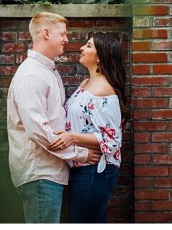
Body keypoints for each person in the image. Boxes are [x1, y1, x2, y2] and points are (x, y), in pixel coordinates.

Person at [7, 12, 101, 223]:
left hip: (51, 172)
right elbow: (38, 131)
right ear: (46, 33)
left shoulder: (48, 70)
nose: (67, 39)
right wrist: (81, 154)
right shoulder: (32, 75)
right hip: (40, 173)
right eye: (63, 34)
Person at [49, 32, 129, 223]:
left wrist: (72, 138)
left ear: (99, 56)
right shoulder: (86, 83)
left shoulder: (104, 90)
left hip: (96, 170)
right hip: (82, 167)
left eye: (88, 45)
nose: (82, 48)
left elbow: (112, 142)